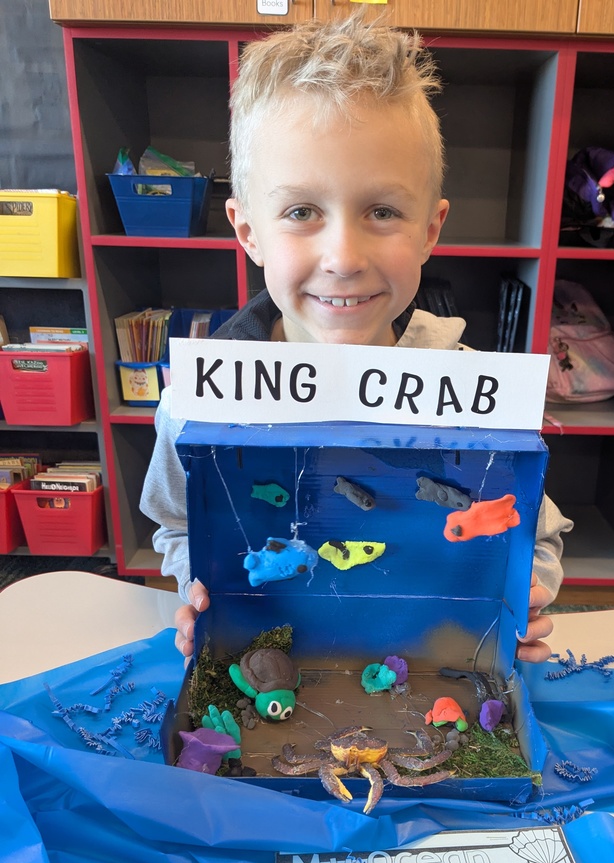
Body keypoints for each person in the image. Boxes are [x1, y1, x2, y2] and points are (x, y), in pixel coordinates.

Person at [140, 12, 572, 664]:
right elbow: (176, 520)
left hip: (431, 668)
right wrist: (200, 581)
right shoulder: (201, 401)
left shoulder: (475, 395)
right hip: (269, 663)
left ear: (431, 228)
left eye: (382, 211)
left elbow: (534, 533)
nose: (343, 256)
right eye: (300, 212)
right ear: (248, 228)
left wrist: (527, 592)